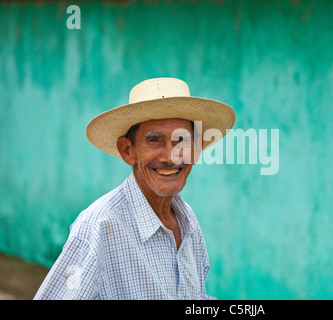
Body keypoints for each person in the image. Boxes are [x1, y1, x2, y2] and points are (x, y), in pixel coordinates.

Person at [34, 78, 235, 299]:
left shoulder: (187, 222)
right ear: (128, 151)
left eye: (182, 141)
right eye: (154, 141)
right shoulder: (99, 227)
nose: (170, 157)